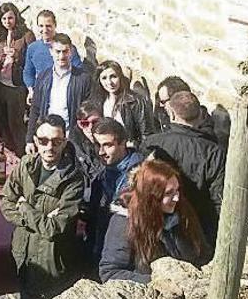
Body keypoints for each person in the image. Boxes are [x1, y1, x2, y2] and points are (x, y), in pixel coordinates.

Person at [0, 115, 83, 299]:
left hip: (51, 265)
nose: (49, 147)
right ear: (36, 141)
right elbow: (6, 200)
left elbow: (54, 228)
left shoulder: (73, 179)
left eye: (56, 141)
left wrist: (25, 206)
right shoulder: (26, 164)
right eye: (43, 141)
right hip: (22, 255)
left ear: (65, 142)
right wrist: (36, 219)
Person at [98, 159, 210, 284]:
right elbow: (110, 272)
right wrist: (157, 282)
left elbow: (203, 252)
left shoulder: (182, 210)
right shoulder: (124, 223)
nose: (177, 198)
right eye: (169, 193)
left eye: (177, 190)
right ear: (152, 196)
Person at [141, 91, 225, 244]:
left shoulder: (154, 143)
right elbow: (218, 198)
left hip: (159, 224)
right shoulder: (214, 151)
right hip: (197, 229)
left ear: (172, 114)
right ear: (200, 114)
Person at [84, 118, 144, 269]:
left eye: (108, 145)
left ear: (123, 142)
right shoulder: (103, 173)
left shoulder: (142, 174)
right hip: (104, 249)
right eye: (97, 145)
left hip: (130, 256)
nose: (101, 152)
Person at [25, 33, 93, 155]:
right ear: (51, 51)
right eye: (57, 51)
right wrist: (29, 139)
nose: (61, 56)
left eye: (65, 51)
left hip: (72, 140)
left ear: (71, 52)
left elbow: (89, 113)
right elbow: (35, 109)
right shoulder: (43, 77)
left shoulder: (83, 79)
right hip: (48, 138)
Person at [0, 3, 35, 156]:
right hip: (0, 82)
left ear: (16, 18)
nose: (7, 21)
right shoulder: (1, 35)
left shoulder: (26, 35)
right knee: (2, 121)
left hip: (16, 85)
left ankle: (22, 155)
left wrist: (17, 56)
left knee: (16, 124)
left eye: (10, 18)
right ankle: (8, 154)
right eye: (4, 19)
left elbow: (32, 60)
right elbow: (0, 57)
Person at [93, 60, 156, 146]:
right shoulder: (100, 101)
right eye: (104, 78)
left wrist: (134, 146)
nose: (109, 82)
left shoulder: (135, 101)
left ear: (120, 77)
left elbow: (147, 134)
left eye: (113, 76)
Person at [22, 10, 82, 100]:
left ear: (55, 25)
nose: (45, 30)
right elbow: (28, 72)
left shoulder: (67, 48)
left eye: (48, 26)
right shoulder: (33, 48)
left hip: (63, 95)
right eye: (41, 26)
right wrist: (31, 90)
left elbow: (79, 71)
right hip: (41, 94)